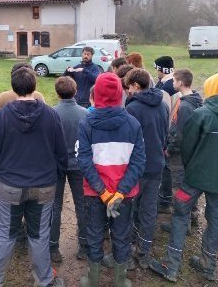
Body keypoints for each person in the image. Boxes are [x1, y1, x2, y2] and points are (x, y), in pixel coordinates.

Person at [0, 67, 68, 287]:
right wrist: (56, 176)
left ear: (14, 88)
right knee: (39, 235)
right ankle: (45, 280)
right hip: (43, 186)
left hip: (10, 186)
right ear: (35, 85)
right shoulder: (50, 114)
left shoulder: (3, 116)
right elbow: (61, 152)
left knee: (6, 234)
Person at [149, 72, 218, 283]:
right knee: (215, 218)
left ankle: (171, 266)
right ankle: (207, 264)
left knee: (180, 215)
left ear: (210, 88)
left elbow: (186, 146)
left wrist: (191, 166)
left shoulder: (201, 114)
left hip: (193, 177)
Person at [76, 72, 146, 287]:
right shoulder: (133, 124)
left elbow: (83, 160)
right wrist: (120, 192)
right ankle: (120, 280)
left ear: (96, 93)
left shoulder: (86, 123)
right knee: (122, 235)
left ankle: (93, 280)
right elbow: (138, 162)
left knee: (95, 234)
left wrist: (103, 192)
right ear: (119, 94)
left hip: (94, 193)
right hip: (123, 195)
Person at [124, 68, 169, 269]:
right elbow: (165, 134)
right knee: (149, 210)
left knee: (130, 205)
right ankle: (143, 251)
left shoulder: (132, 109)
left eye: (128, 86)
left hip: (137, 166)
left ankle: (127, 246)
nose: (127, 90)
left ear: (135, 86)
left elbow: (128, 140)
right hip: (157, 163)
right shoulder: (163, 104)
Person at [49, 76, 88, 263]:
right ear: (75, 91)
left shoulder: (51, 113)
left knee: (55, 206)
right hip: (79, 164)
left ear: (57, 92)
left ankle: (53, 247)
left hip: (57, 164)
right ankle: (84, 245)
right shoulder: (85, 113)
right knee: (81, 204)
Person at [160, 69, 203, 234]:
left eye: (174, 81)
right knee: (190, 186)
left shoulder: (184, 106)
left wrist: (169, 149)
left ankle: (180, 224)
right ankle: (192, 217)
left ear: (180, 83)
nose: (172, 83)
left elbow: (179, 134)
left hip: (179, 155)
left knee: (178, 188)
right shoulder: (196, 100)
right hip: (191, 154)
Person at [153, 55, 179, 215]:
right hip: (173, 128)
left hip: (168, 130)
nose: (155, 71)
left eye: (157, 67)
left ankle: (165, 199)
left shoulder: (167, 88)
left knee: (166, 166)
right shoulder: (172, 82)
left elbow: (165, 112)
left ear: (162, 69)